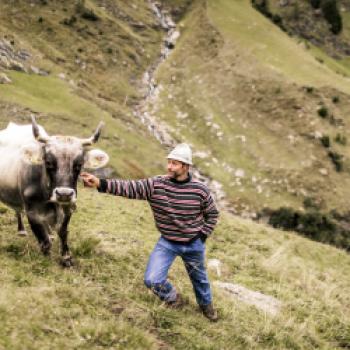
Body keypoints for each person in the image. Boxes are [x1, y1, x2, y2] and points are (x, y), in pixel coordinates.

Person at [80, 143, 219, 321]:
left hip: (193, 243)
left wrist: (202, 236)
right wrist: (100, 182)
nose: (169, 166)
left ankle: (207, 307)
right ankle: (174, 299)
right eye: (169, 162)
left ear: (185, 166)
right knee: (152, 280)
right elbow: (129, 188)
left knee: (200, 280)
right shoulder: (156, 184)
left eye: (174, 163)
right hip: (167, 242)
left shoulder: (200, 190)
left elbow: (213, 214)